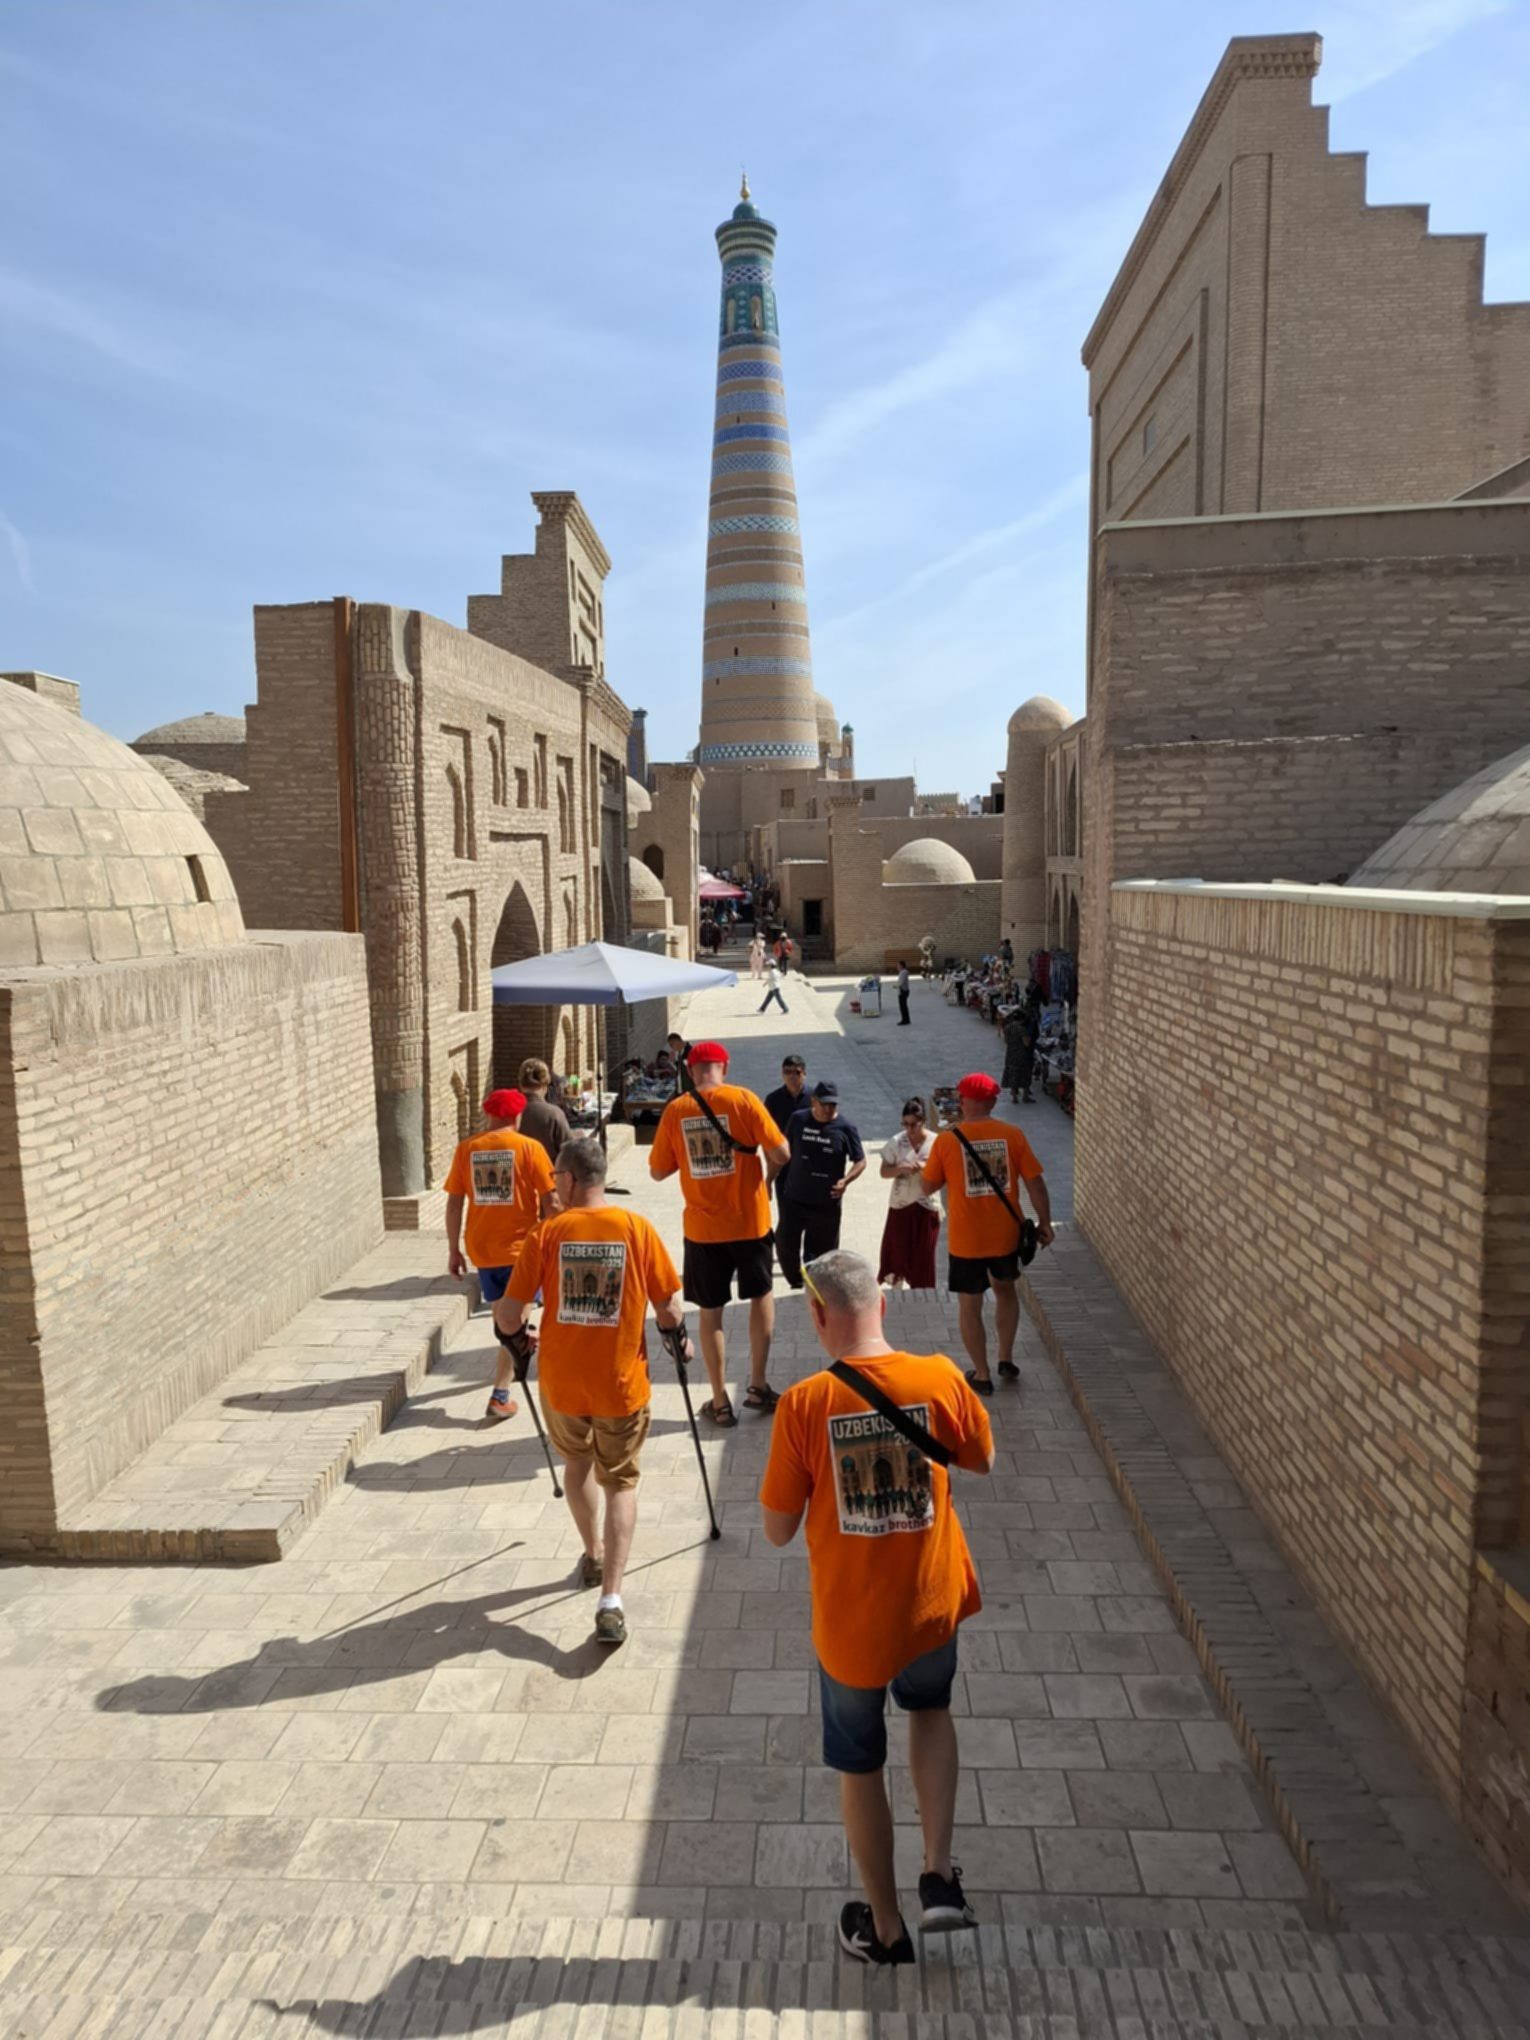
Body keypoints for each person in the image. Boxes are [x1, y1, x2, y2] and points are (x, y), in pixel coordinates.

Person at [760, 1250, 993, 1965]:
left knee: (859, 1763)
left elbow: (777, 1529)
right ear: (881, 1306)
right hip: (929, 1607)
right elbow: (982, 1458)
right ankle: (939, 1875)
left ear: (817, 1315)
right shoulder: (941, 1378)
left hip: (851, 1627)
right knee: (931, 1710)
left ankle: (886, 1929)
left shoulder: (805, 1405)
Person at [496, 1140, 684, 1646]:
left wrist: (521, 1335)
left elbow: (509, 1315)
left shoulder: (548, 1234)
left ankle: (593, 1554)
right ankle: (611, 1599)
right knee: (620, 1482)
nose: (554, 1184)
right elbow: (669, 1308)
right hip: (620, 1384)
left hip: (563, 1384)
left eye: (556, 1176)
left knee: (577, 1464)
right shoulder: (636, 1228)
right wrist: (676, 1335)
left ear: (571, 1179)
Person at [649, 1041, 791, 1424]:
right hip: (750, 1222)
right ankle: (757, 1386)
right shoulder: (744, 1100)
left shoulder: (676, 1110)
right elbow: (782, 1153)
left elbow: (657, 1171)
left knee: (710, 1313)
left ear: (690, 1072)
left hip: (703, 1230)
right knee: (761, 1297)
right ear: (724, 1067)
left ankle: (719, 1402)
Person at [921, 1072, 1054, 1397]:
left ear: (962, 1101)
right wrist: (1045, 1222)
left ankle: (981, 1374)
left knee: (970, 1305)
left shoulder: (948, 1141)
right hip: (1005, 1236)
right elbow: (1035, 1183)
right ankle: (1005, 1358)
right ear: (993, 1101)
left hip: (967, 1240)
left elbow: (928, 1186)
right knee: (1006, 1291)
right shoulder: (1012, 1135)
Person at [444, 1088, 559, 1420]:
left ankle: (516, 1357)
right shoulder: (529, 1148)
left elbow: (454, 1204)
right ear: (517, 1116)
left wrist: (453, 1250)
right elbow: (551, 1202)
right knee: (513, 1324)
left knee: (504, 1318)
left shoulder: (467, 1149)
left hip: (483, 1250)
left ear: (489, 1114)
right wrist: (558, 1240)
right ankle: (500, 1395)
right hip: (521, 1250)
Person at [776, 1081, 866, 1288]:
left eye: (832, 1105)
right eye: (824, 1104)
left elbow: (860, 1161)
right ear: (813, 1101)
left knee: (822, 1256)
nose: (828, 1109)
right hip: (795, 1198)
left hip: (826, 1203)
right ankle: (795, 1281)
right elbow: (784, 1150)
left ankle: (815, 1286)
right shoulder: (798, 1119)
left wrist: (846, 1180)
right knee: (785, 1244)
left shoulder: (846, 1127)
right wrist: (770, 1178)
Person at [877, 1097, 939, 1290]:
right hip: (901, 1205)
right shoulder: (897, 1141)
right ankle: (898, 1296)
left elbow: (945, 1171)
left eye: (914, 1124)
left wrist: (925, 1167)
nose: (909, 1129)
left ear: (923, 1122)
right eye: (905, 1124)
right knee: (898, 1255)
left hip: (927, 1205)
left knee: (924, 1257)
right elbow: (883, 1172)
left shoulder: (936, 1142)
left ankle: (922, 1296)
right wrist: (900, 1169)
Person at [518, 1058, 571, 1166]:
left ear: (521, 1084)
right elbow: (568, 1151)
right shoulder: (554, 1114)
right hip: (548, 1173)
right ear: (545, 1085)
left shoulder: (510, 1113)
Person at [1001, 1000, 1039, 1104]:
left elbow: (1006, 1041)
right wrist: (1029, 1038)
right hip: (1021, 1054)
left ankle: (1014, 1097)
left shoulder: (1008, 1027)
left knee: (1013, 1074)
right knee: (1024, 1074)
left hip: (1010, 1054)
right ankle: (1025, 1097)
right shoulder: (1022, 1029)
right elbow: (1026, 1043)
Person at [763, 1052, 807, 1135]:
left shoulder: (814, 1098)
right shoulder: (773, 1100)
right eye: (788, 1072)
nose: (792, 1076)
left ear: (804, 1074)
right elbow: (766, 1125)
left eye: (797, 1072)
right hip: (782, 1142)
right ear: (782, 1074)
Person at [895, 960, 912, 1027]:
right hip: (904, 990)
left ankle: (905, 1020)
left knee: (903, 1006)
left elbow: (901, 982)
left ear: (901, 966)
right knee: (904, 1006)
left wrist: (896, 986)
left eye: (898, 965)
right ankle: (906, 1019)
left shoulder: (903, 972)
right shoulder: (903, 972)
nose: (897, 967)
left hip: (903, 991)